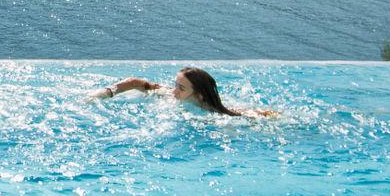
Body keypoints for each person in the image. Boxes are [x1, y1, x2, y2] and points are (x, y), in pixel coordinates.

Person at [93, 65, 276, 117]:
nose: (174, 91)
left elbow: (248, 115)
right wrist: (107, 93)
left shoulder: (213, 113)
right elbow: (135, 82)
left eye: (181, 88)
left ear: (199, 94)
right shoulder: (170, 94)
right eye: (176, 84)